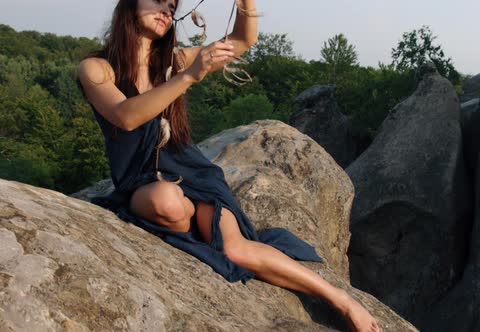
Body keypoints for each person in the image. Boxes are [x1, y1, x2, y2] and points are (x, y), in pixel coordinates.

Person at [77, 1, 380, 331]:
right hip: (140, 179)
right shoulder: (98, 68)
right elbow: (126, 116)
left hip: (191, 170)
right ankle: (198, 225)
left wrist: (245, 3)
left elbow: (242, 39)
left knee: (236, 251)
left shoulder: (172, 60)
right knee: (166, 202)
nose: (167, 9)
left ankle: (343, 302)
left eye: (173, 5)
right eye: (158, 0)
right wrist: (190, 76)